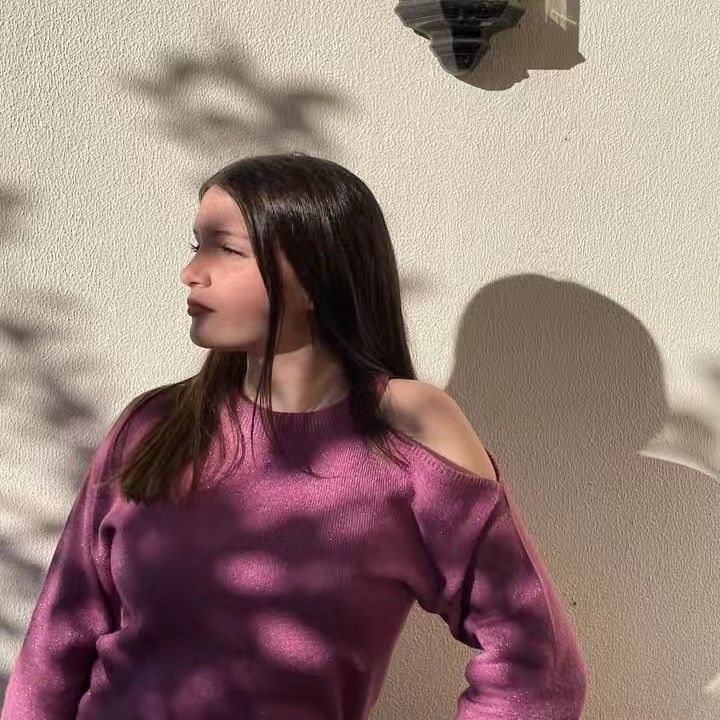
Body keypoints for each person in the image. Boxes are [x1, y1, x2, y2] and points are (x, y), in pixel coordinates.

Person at [1, 152, 587, 719]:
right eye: (196, 246)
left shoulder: (408, 431)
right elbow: (56, 645)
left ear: (312, 277)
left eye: (227, 249)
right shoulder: (154, 425)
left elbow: (538, 668)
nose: (191, 272)